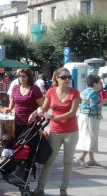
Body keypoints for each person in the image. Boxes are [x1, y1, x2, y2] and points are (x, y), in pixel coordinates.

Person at [29, 67, 80, 196]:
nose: (67, 79)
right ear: (57, 78)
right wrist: (37, 112)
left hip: (71, 131)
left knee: (68, 161)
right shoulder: (51, 92)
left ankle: (63, 189)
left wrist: (55, 118)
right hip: (55, 131)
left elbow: (72, 112)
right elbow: (44, 108)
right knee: (49, 160)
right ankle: (40, 188)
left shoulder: (74, 92)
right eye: (64, 77)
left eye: (69, 77)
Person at [75, 74, 105, 167]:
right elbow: (93, 107)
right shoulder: (94, 93)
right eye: (100, 82)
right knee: (90, 138)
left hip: (84, 116)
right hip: (91, 118)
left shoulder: (85, 91)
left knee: (90, 137)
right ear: (95, 84)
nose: (101, 84)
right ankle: (81, 157)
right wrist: (103, 102)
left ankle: (91, 159)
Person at [5, 68, 44, 139]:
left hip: (32, 122)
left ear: (29, 77)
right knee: (19, 143)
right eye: (20, 76)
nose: (21, 78)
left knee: (30, 146)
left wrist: (34, 114)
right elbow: (13, 101)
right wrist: (10, 108)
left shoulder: (35, 89)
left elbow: (41, 105)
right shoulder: (15, 88)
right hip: (18, 121)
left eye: (24, 76)